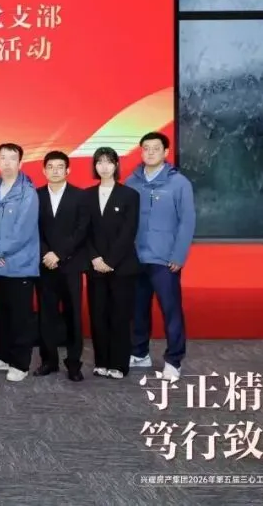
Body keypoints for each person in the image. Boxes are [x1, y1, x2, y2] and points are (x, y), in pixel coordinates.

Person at [125, 132, 196, 381]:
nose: (150, 152)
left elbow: (187, 221)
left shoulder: (179, 183)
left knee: (170, 310)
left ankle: (174, 360)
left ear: (166, 152)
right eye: (146, 148)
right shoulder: (131, 182)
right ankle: (139, 353)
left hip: (165, 259)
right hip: (136, 258)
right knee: (137, 309)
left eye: (156, 148)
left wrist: (179, 255)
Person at [0, 143, 40, 382]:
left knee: (20, 317)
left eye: (12, 158)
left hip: (20, 266)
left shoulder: (28, 193)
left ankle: (20, 363)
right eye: (2, 158)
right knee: (0, 314)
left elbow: (22, 232)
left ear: (20, 163)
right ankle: (1, 356)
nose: (7, 163)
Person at [85, 147, 140, 379]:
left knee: (120, 316)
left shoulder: (130, 195)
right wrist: (95, 258)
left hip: (122, 266)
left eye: (109, 162)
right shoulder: (86, 195)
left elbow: (128, 232)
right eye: (100, 162)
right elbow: (84, 232)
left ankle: (118, 364)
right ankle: (101, 362)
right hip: (95, 266)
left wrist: (110, 261)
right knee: (98, 315)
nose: (104, 166)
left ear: (116, 165)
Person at [34, 151, 90, 382]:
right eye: (51, 167)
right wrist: (46, 253)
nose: (55, 171)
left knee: (73, 315)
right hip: (44, 264)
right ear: (44, 170)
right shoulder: (35, 196)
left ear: (68, 170)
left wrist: (59, 254)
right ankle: (49, 361)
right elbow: (32, 229)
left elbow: (82, 230)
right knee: (46, 315)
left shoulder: (80, 196)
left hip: (71, 265)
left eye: (60, 167)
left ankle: (74, 364)